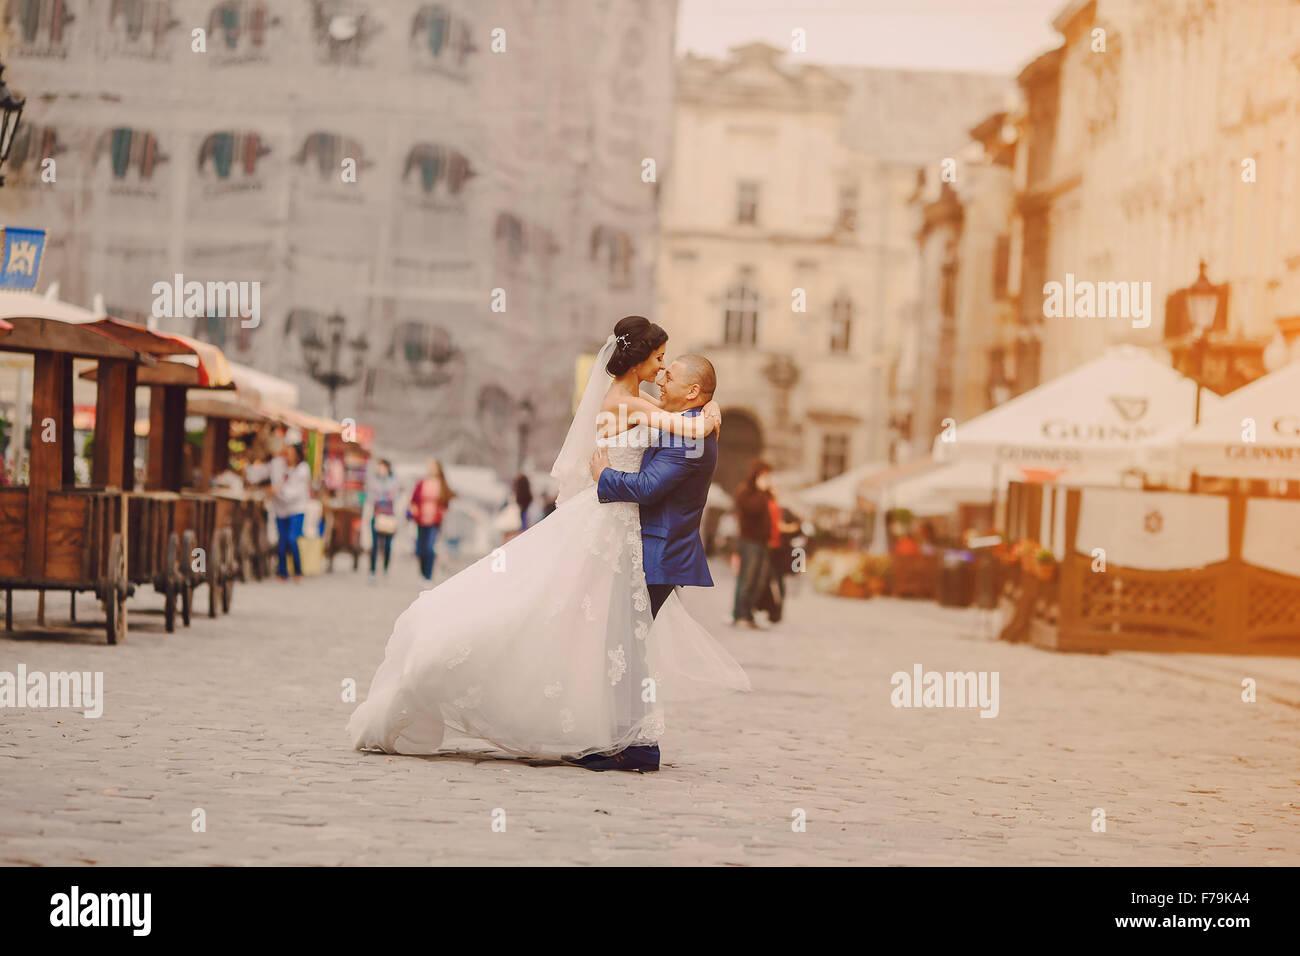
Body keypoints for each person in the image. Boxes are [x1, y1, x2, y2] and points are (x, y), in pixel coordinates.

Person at [348, 316, 749, 769]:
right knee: (585, 625)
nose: (662, 371)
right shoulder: (633, 404)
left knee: (604, 633)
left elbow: (672, 454)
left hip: (624, 532)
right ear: (638, 360)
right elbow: (683, 435)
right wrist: (707, 415)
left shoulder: (643, 404)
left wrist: (705, 413)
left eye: (669, 369)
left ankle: (623, 739)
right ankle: (622, 739)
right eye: (659, 361)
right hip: (610, 525)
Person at [732, 459, 773, 629]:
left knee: (759, 580)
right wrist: (762, 492)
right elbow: (752, 511)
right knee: (747, 579)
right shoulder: (746, 492)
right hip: (749, 541)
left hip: (762, 542)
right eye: (765, 476)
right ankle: (740, 614)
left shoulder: (764, 493)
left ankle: (749, 613)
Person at [271, 443, 311, 582]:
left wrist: (279, 490)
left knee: (291, 539)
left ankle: (297, 571)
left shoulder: (303, 469)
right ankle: (283, 573)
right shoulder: (281, 467)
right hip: (281, 510)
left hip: (297, 509)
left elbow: (296, 492)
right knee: (282, 541)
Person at [408, 459, 453, 582]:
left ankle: (428, 575)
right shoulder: (422, 483)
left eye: (433, 466)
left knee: (429, 547)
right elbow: (413, 500)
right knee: (420, 549)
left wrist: (442, 511)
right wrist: (414, 509)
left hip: (435, 521)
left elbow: (447, 500)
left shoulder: (442, 484)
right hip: (421, 520)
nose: (430, 469)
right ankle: (422, 573)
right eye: (429, 466)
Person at [367, 458, 400, 582]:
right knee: (375, 545)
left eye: (382, 467)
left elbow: (394, 496)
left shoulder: (393, 482)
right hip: (376, 516)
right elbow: (370, 497)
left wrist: (381, 496)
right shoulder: (373, 481)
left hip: (389, 517)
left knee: (387, 546)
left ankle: (385, 569)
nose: (380, 470)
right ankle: (372, 571)